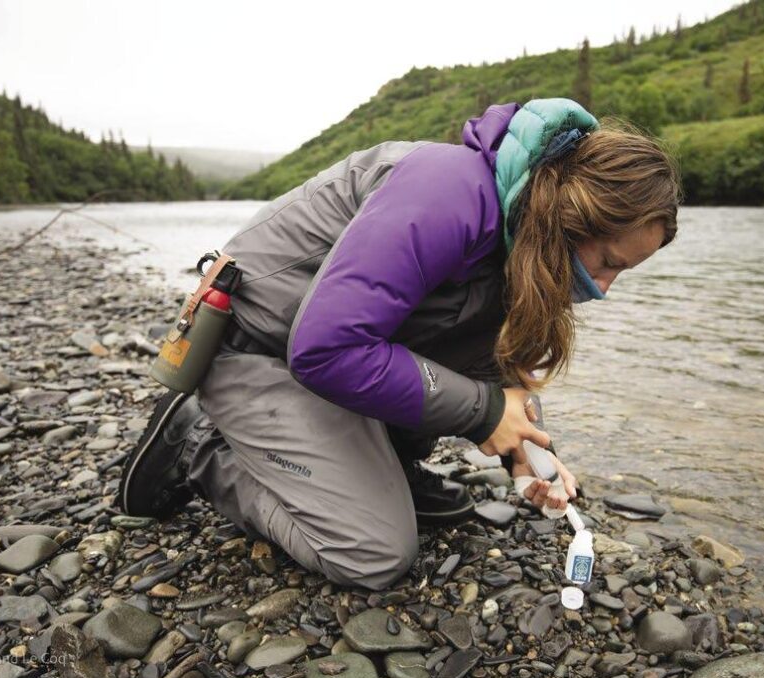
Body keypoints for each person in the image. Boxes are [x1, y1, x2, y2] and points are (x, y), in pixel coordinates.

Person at [116, 98, 681, 590]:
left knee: (477, 386)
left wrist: (527, 450)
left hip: (325, 356)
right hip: (257, 347)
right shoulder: (449, 192)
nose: (602, 290)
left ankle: (383, 462)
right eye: (607, 262)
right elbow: (327, 348)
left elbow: (493, 366)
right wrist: (485, 413)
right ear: (570, 215)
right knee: (373, 553)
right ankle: (202, 446)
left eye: (619, 274)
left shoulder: (521, 234)